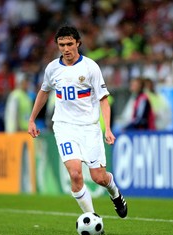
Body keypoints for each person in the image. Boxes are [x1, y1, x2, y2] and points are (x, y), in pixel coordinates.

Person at [28, 26, 127, 219]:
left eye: (69, 44)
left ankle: (115, 193)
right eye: (61, 45)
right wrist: (32, 119)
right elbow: (44, 92)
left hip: (89, 128)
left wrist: (107, 128)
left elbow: (103, 99)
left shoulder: (90, 67)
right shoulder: (52, 69)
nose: (66, 49)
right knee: (75, 174)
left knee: (99, 177)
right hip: (64, 127)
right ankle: (92, 217)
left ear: (78, 43)